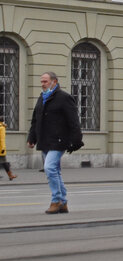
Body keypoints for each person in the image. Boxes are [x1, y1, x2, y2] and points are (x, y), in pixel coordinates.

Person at [26, 72, 83, 214]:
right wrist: (31, 137)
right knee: (55, 171)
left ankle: (56, 200)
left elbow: (74, 121)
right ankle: (63, 202)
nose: (42, 84)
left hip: (59, 140)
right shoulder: (42, 98)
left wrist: (76, 141)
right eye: (41, 81)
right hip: (45, 140)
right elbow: (35, 120)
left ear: (54, 81)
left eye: (45, 81)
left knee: (49, 168)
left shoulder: (64, 98)